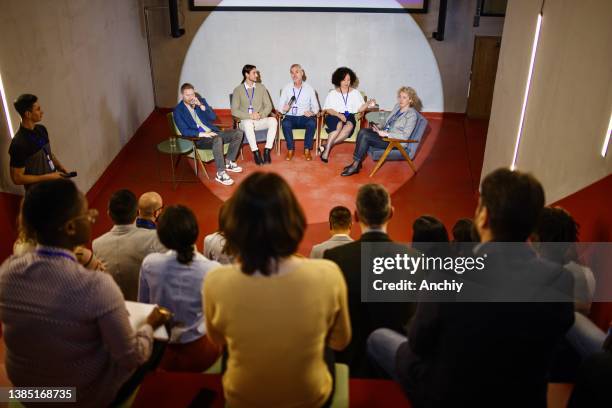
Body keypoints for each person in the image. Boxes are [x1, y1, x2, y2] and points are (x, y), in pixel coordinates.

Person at [367, 168, 575, 407]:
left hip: (450, 395)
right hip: (523, 398)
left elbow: (418, 342)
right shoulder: (561, 279)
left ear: (483, 216)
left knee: (378, 338)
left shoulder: (447, 273)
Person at [0, 179, 169, 407]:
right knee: (157, 332)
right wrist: (150, 324)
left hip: (27, 393)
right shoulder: (96, 285)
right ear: (70, 228)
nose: (92, 218)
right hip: (80, 397)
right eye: (87, 214)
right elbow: (131, 357)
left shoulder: (8, 271)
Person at [203, 172, 351, 407]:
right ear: (293, 219)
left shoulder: (215, 281)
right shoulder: (329, 274)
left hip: (242, 397)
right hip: (310, 398)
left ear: (235, 226)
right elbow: (340, 341)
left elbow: (217, 338)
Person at [324, 184, 418, 377]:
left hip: (348, 369)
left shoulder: (334, 257)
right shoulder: (415, 259)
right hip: (396, 371)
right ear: (391, 213)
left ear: (356, 216)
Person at [139, 205, 221, 372]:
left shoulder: (150, 263)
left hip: (161, 349)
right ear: (195, 232)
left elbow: (144, 305)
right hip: (201, 350)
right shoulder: (212, 269)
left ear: (161, 237)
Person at [92, 189, 166, 301]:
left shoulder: (96, 244)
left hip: (113, 305)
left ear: (109, 214)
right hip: (147, 307)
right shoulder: (155, 238)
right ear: (137, 212)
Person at [341, 86, 421, 176]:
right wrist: (379, 127)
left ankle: (355, 165)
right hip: (384, 134)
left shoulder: (412, 115)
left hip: (394, 142)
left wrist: (386, 134)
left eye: (404, 97)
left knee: (365, 136)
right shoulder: (397, 107)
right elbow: (389, 121)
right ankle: (357, 163)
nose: (400, 100)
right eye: (400, 96)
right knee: (362, 131)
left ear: (411, 100)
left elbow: (405, 136)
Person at [173, 83, 243, 186]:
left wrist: (201, 106)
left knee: (238, 132)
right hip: (198, 139)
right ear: (182, 95)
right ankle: (221, 173)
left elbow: (213, 117)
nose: (190, 97)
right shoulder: (178, 110)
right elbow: (184, 131)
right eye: (187, 95)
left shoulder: (200, 102)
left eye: (192, 94)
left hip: (213, 132)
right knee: (217, 139)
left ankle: (229, 162)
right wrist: (202, 134)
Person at [8, 94, 73, 188]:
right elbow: (17, 178)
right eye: (38, 109)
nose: (42, 112)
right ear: (28, 114)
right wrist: (48, 177)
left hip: (53, 186)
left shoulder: (42, 129)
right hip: (38, 194)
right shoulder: (18, 143)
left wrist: (60, 167)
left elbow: (47, 153)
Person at [320, 67, 374, 163]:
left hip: (349, 115)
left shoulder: (355, 93)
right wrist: (339, 115)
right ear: (338, 80)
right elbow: (328, 109)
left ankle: (326, 146)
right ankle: (326, 152)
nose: (346, 82)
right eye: (344, 80)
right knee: (339, 125)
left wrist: (368, 103)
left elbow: (360, 108)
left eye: (348, 80)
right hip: (334, 115)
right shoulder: (332, 93)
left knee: (349, 126)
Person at [231, 65, 277, 165]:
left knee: (273, 121)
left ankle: (267, 150)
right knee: (248, 123)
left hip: (260, 119)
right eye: (254, 73)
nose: (257, 75)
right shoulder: (238, 90)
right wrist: (250, 116)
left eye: (257, 73)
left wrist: (260, 115)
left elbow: (268, 106)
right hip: (245, 121)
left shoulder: (261, 87)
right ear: (246, 74)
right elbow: (234, 111)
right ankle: (256, 152)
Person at [278, 64, 320, 161]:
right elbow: (280, 107)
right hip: (290, 116)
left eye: (296, 72)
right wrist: (284, 109)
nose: (294, 75)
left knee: (312, 123)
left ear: (302, 73)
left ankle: (307, 149)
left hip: (304, 116)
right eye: (292, 73)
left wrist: (312, 112)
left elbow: (316, 108)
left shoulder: (309, 89)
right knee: (285, 123)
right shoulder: (286, 88)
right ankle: (290, 149)